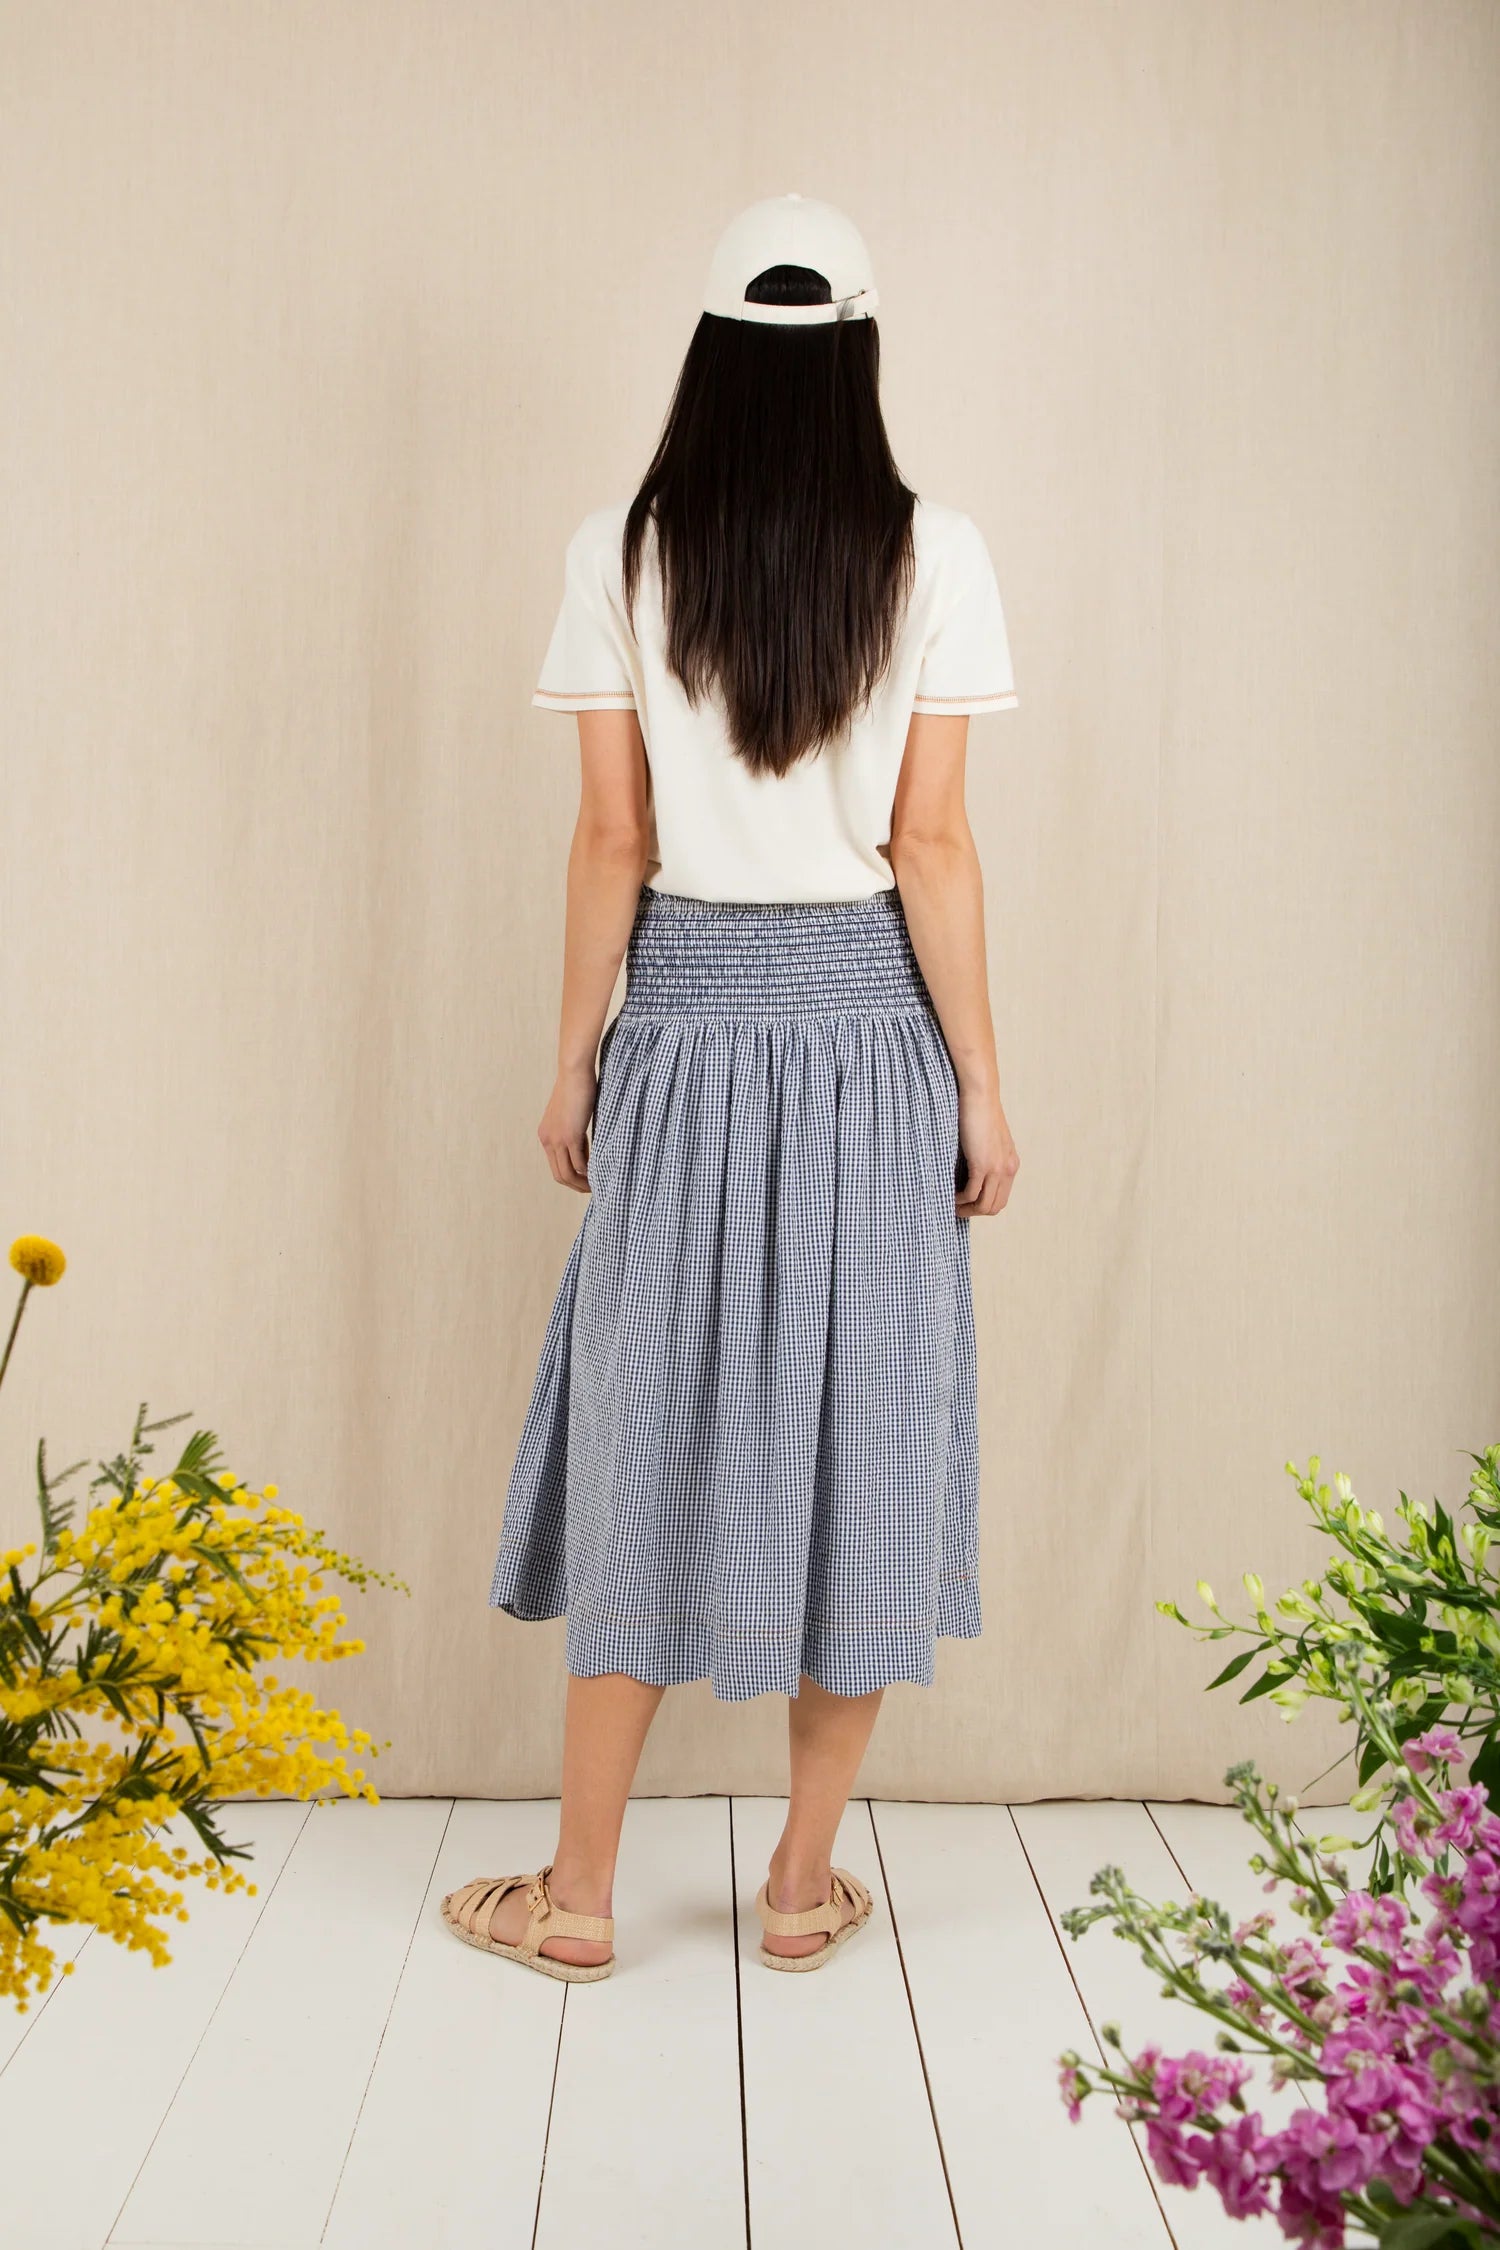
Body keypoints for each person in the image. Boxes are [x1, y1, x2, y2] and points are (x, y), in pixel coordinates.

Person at [443, 193, 1021, 1982]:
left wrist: (576, 1061)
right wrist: (983, 1089)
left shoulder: (618, 548)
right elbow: (931, 841)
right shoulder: (939, 550)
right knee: (866, 1433)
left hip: (681, 1031)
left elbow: (612, 833)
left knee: (640, 1437)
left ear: (708, 351)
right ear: (860, 356)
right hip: (868, 1040)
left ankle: (582, 1894)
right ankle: (794, 1886)